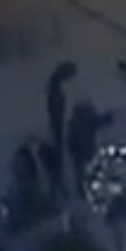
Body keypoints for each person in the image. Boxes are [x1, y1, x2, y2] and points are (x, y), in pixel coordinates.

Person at [66, 100, 114, 197]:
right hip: (82, 151)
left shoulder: (78, 123)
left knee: (84, 172)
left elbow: (99, 121)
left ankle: (85, 188)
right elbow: (99, 121)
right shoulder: (81, 123)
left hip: (83, 151)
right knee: (84, 172)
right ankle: (85, 189)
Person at [44, 61, 77, 192]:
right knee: (58, 159)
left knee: (58, 158)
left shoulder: (54, 88)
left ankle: (58, 186)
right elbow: (55, 111)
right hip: (57, 128)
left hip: (57, 128)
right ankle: (58, 187)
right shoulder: (55, 90)